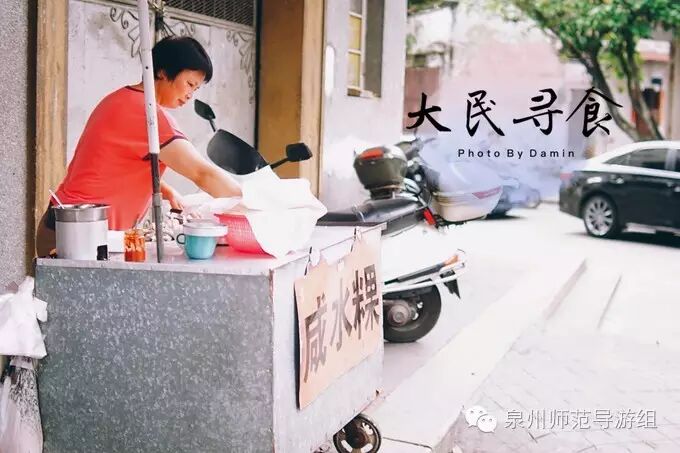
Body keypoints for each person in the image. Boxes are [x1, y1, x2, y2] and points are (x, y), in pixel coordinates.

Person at [36, 36, 241, 257]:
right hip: (78, 237)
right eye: (190, 84)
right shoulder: (150, 115)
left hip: (63, 228)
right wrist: (247, 201)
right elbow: (202, 174)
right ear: (162, 72)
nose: (190, 95)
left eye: (196, 89)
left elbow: (114, 163)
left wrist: (166, 190)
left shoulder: (119, 99)